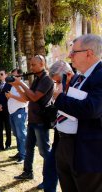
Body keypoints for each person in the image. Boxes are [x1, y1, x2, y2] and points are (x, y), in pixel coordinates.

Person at [53, 34, 102, 192]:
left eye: (74, 52)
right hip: (65, 146)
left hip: (87, 152)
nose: (69, 56)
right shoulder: (76, 79)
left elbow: (91, 109)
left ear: (89, 53)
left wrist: (59, 98)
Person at [12, 55, 53, 189]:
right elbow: (27, 97)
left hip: (41, 121)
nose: (31, 67)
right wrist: (17, 87)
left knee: (45, 152)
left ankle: (48, 180)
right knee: (29, 148)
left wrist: (21, 83)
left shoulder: (47, 79)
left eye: (34, 65)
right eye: (31, 65)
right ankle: (27, 172)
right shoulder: (37, 79)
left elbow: (35, 97)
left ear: (42, 64)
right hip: (33, 120)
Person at [43, 60, 77, 192]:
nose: (57, 84)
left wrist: (61, 97)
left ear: (67, 74)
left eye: (58, 81)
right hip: (59, 138)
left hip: (74, 142)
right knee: (50, 168)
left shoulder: (78, 86)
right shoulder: (62, 88)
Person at [6, 68, 28, 164]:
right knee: (17, 134)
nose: (12, 77)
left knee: (21, 135)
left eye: (14, 75)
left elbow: (25, 100)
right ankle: (20, 152)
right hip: (13, 113)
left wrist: (11, 96)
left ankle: (24, 156)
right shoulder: (13, 86)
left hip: (19, 112)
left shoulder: (22, 85)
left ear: (20, 76)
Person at [0, 70, 12, 151]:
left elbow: (9, 98)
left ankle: (8, 144)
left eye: (2, 74)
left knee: (8, 127)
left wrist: (3, 106)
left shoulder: (9, 85)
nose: (0, 76)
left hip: (7, 109)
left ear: (6, 75)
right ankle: (0, 145)